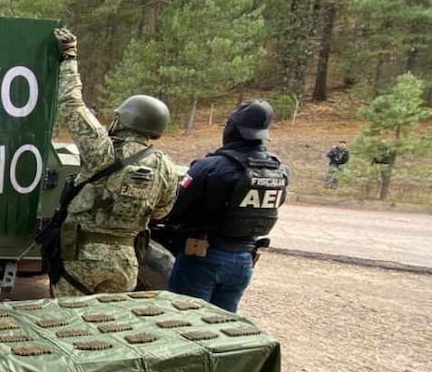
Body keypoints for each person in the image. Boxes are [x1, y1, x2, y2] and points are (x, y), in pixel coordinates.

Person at [49, 28, 180, 296]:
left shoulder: (102, 150)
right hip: (126, 260)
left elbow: (71, 104)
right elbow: (161, 212)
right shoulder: (164, 165)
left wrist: (70, 56)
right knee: (107, 327)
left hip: (81, 256)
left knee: (66, 324)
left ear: (123, 120)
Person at [165, 100, 290, 312]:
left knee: (183, 324)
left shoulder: (210, 167)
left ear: (232, 129)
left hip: (202, 258)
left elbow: (173, 209)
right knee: (221, 326)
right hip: (244, 260)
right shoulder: (279, 171)